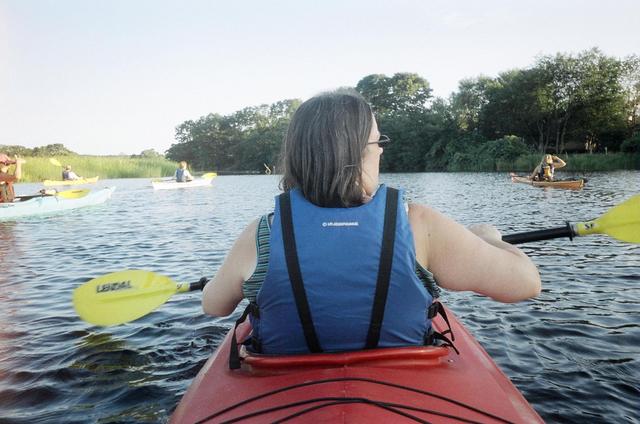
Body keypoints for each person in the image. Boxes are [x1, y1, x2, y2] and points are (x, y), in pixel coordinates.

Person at [202, 90, 541, 357]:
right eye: (378, 142)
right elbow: (527, 283)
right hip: (403, 387)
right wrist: (488, 238)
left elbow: (213, 306)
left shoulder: (261, 234)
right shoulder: (419, 226)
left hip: (285, 388)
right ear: (358, 152)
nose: (381, 151)